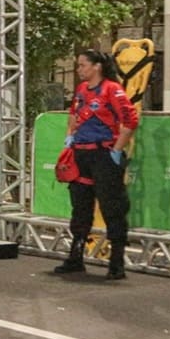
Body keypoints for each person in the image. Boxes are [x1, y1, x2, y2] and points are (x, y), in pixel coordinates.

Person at [54, 49, 139, 281]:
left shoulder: (112, 89)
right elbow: (73, 115)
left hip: (104, 156)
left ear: (97, 67)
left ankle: (116, 263)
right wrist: (70, 137)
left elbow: (130, 120)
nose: (79, 69)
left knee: (112, 207)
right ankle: (75, 258)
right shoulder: (82, 89)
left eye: (83, 65)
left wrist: (116, 150)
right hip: (81, 155)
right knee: (80, 207)